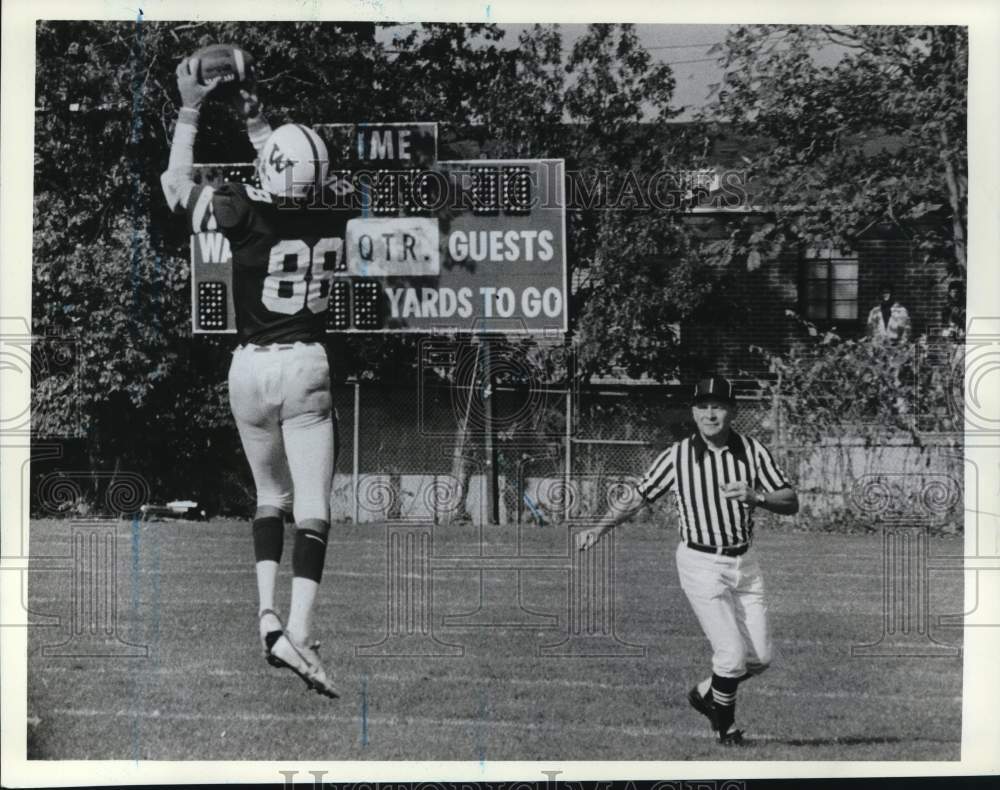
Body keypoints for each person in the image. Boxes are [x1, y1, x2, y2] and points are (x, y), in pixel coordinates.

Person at [160, 58, 344, 698]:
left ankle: (267, 619)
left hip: (247, 370)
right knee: (314, 507)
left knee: (271, 498)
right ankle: (297, 629)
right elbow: (289, 174)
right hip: (304, 366)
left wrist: (189, 110)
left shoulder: (240, 212)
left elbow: (175, 187)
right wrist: (261, 122)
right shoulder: (335, 215)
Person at [577, 375, 799, 745]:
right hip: (700, 562)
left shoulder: (753, 451)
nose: (711, 414)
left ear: (733, 411)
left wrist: (755, 497)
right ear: (693, 412)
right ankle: (726, 733)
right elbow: (636, 497)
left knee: (758, 659)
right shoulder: (677, 456)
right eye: (703, 407)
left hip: (744, 563)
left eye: (719, 406)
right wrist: (597, 529)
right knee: (730, 656)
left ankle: (704, 693)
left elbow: (790, 500)